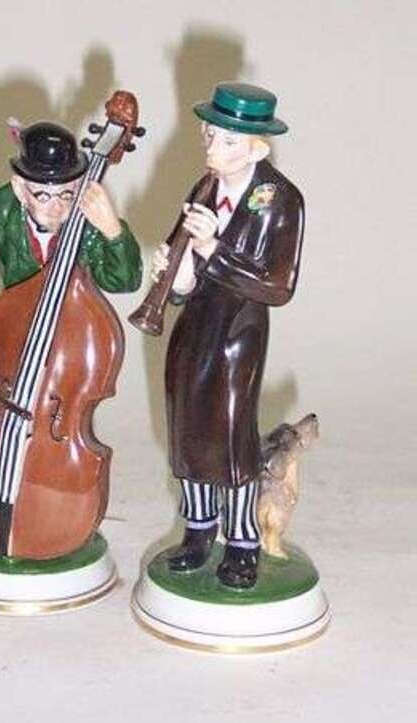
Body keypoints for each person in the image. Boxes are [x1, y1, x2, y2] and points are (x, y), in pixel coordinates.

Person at [150, 83, 304, 588]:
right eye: (210, 135)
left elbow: (278, 286)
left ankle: (241, 540)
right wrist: (174, 272)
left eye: (228, 141)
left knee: (231, 436)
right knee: (187, 428)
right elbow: (186, 278)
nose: (213, 148)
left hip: (239, 333)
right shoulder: (204, 187)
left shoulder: (281, 200)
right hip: (194, 328)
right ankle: (198, 529)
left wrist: (213, 248)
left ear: (257, 148)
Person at [0, 121, 142, 387]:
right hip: (16, 329)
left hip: (72, 341)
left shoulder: (87, 217)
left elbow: (122, 282)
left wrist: (113, 231)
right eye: (43, 195)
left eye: (66, 194)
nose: (56, 207)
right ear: (19, 188)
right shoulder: (5, 207)